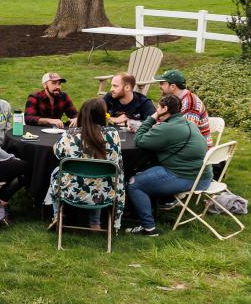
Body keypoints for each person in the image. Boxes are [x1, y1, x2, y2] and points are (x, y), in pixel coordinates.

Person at [126, 95, 211, 237]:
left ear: (165, 109)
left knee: (134, 184)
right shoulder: (188, 123)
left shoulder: (167, 128)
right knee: (144, 171)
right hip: (203, 176)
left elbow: (139, 140)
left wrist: (152, 117)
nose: (156, 109)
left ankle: (149, 228)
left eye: (158, 107)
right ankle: (145, 209)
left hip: (188, 178)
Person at [45, 97, 125, 230]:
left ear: (82, 114)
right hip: (105, 192)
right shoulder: (113, 134)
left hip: (72, 191)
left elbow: (58, 152)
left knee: (55, 172)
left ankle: (57, 216)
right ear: (102, 115)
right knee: (97, 177)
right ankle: (95, 223)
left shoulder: (71, 134)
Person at [154, 69, 212, 147]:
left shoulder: (190, 105)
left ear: (172, 86)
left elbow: (186, 134)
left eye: (162, 83)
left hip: (196, 150)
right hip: (179, 143)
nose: (159, 86)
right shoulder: (172, 100)